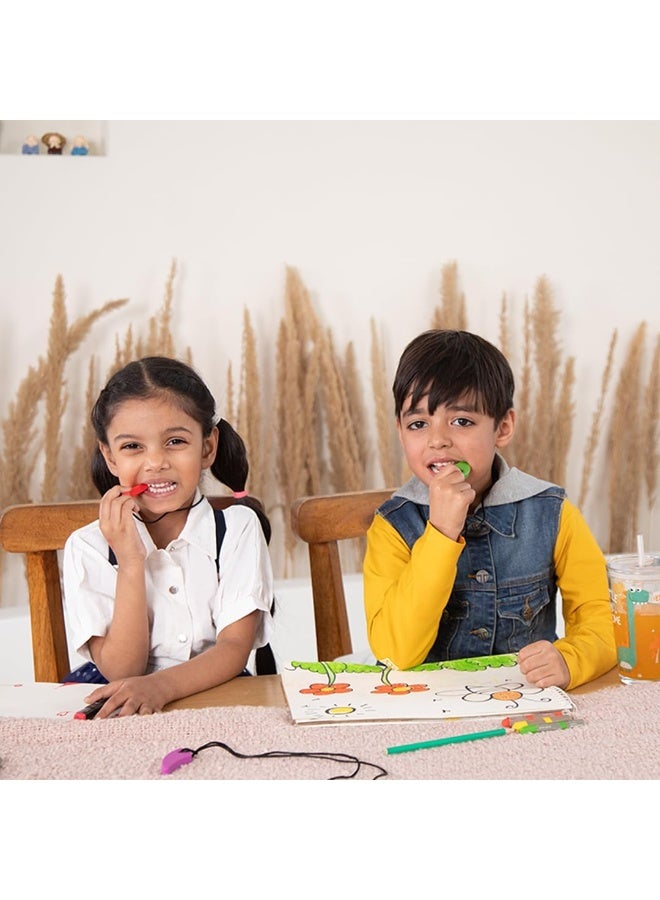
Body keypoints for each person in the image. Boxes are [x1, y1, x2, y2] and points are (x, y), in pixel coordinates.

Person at [363, 329, 617, 690]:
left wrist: (569, 659)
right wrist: (440, 532)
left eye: (461, 421)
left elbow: (602, 619)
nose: (438, 440)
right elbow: (395, 652)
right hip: (421, 717)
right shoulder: (392, 526)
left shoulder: (552, 514)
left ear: (503, 427)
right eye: (418, 424)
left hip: (524, 710)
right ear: (401, 431)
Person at [63, 356, 274, 717]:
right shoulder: (88, 547)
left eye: (175, 441)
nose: (156, 462)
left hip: (217, 695)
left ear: (207, 447)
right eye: (132, 447)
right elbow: (123, 671)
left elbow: (234, 647)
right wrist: (130, 561)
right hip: (119, 708)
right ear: (110, 457)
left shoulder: (238, 529)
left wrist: (161, 687)